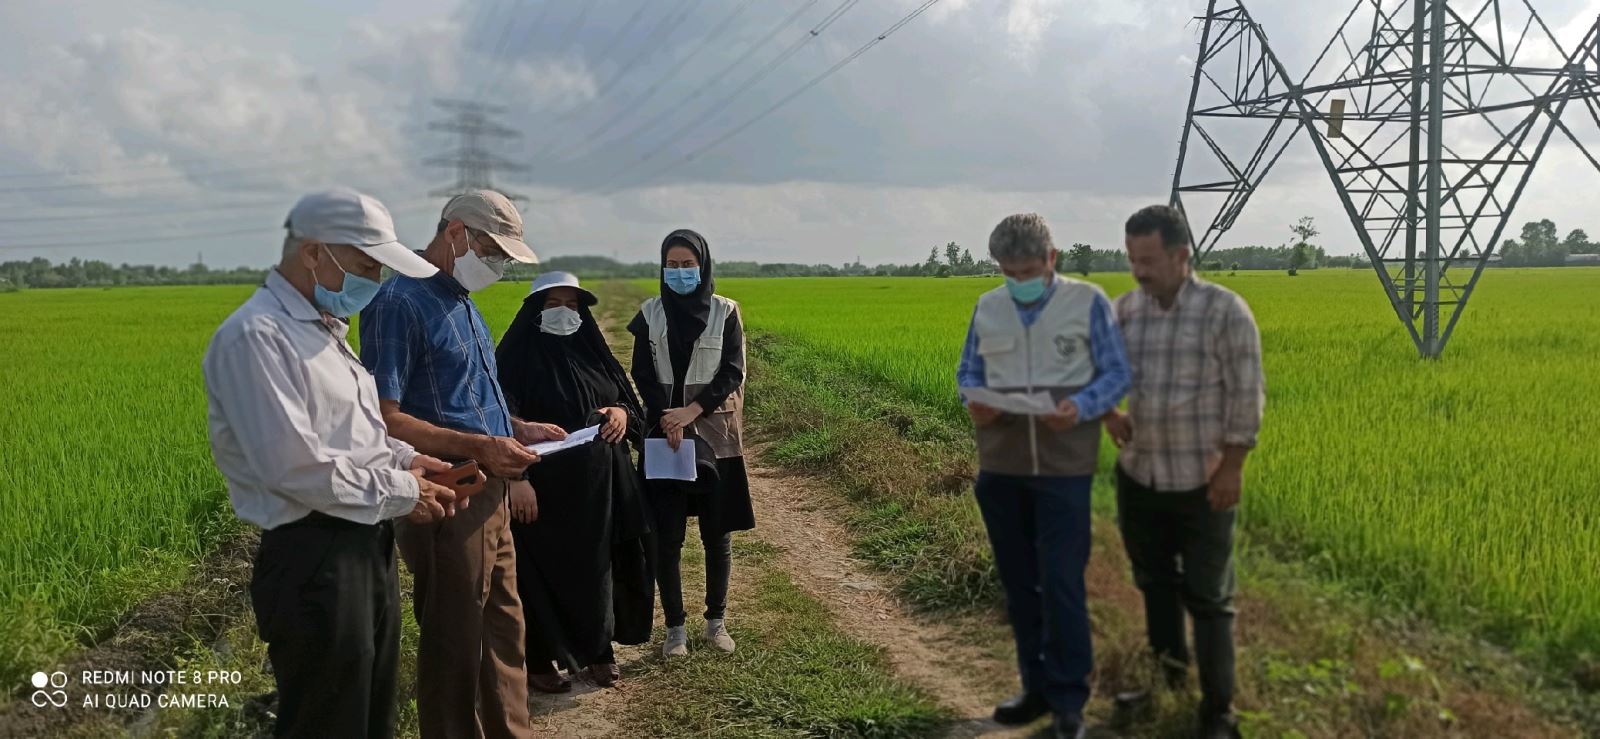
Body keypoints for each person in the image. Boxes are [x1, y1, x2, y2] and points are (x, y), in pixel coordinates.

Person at [203, 187, 479, 738]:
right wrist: (406, 491)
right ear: (312, 253)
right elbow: (297, 468)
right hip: (313, 556)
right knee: (329, 721)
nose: (373, 283)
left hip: (365, 545)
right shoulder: (257, 338)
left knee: (371, 713)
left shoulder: (326, 333)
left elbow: (355, 435)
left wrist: (411, 458)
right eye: (364, 265)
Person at [358, 189, 559, 739]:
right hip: (446, 494)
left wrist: (515, 430)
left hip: (489, 489)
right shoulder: (399, 303)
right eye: (491, 250)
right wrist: (478, 446)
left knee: (503, 630)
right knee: (454, 642)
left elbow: (467, 395)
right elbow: (384, 417)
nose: (495, 265)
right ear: (455, 233)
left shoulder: (459, 300)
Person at [957, 213, 1131, 739]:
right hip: (1002, 466)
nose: (1019, 280)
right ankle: (1033, 687)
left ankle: (1068, 701)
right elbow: (970, 371)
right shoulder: (988, 307)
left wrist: (1081, 406)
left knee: (1060, 583)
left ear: (1052, 260)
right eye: (1010, 272)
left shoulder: (1088, 303)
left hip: (1063, 469)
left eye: (1029, 269)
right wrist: (975, 400)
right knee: (1019, 586)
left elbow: (1117, 371)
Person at [1104, 205, 1264, 739]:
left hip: (1204, 482)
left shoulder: (1225, 312)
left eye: (1147, 260)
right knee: (1155, 585)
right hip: (1141, 477)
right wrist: (1110, 414)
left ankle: (1218, 712)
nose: (1139, 270)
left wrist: (1233, 468)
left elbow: (1247, 397)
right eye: (1132, 260)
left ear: (1180, 255)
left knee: (1209, 598)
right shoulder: (1126, 311)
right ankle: (1167, 686)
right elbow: (1101, 371)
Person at [494, 271, 655, 691]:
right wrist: (517, 478)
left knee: (600, 569)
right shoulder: (514, 359)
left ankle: (599, 652)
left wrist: (620, 413)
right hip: (542, 493)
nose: (563, 313)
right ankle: (541, 662)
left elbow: (630, 406)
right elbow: (495, 423)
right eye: (552, 305)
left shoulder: (593, 352)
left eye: (571, 305)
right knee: (540, 574)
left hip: (601, 490)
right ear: (534, 312)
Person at [626, 229, 754, 659]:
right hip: (667, 438)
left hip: (715, 436)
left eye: (688, 264)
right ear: (663, 267)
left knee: (717, 535)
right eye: (673, 265)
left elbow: (732, 372)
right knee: (668, 535)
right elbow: (642, 373)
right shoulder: (649, 314)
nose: (681, 273)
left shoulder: (726, 312)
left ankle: (716, 622)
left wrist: (690, 412)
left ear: (703, 265)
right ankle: (675, 627)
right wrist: (667, 417)